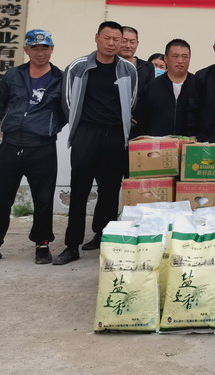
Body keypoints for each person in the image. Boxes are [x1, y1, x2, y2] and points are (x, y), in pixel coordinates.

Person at [0, 30, 67, 266]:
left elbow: (65, 111)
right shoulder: (13, 75)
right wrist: (12, 125)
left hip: (42, 147)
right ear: (26, 50)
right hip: (10, 145)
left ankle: (42, 244)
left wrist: (48, 128)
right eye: (35, 48)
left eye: (45, 48)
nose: (40, 53)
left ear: (52, 49)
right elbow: (1, 104)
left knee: (43, 199)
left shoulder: (60, 79)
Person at [53, 21, 138, 265]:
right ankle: (72, 245)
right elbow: (67, 101)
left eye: (116, 39)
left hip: (114, 135)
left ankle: (103, 237)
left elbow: (131, 101)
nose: (111, 43)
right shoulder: (78, 66)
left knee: (110, 192)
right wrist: (80, 128)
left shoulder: (128, 70)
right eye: (107, 38)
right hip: (86, 134)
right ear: (97, 38)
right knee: (79, 191)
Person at [138, 39, 195, 137]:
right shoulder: (153, 86)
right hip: (158, 143)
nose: (180, 61)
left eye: (185, 57)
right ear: (166, 59)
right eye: (175, 56)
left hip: (190, 143)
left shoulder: (198, 85)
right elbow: (142, 118)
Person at [119, 26, 154, 138]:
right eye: (124, 41)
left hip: (138, 127)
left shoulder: (147, 68)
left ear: (137, 44)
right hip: (113, 124)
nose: (128, 45)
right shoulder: (109, 66)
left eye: (132, 42)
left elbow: (149, 97)